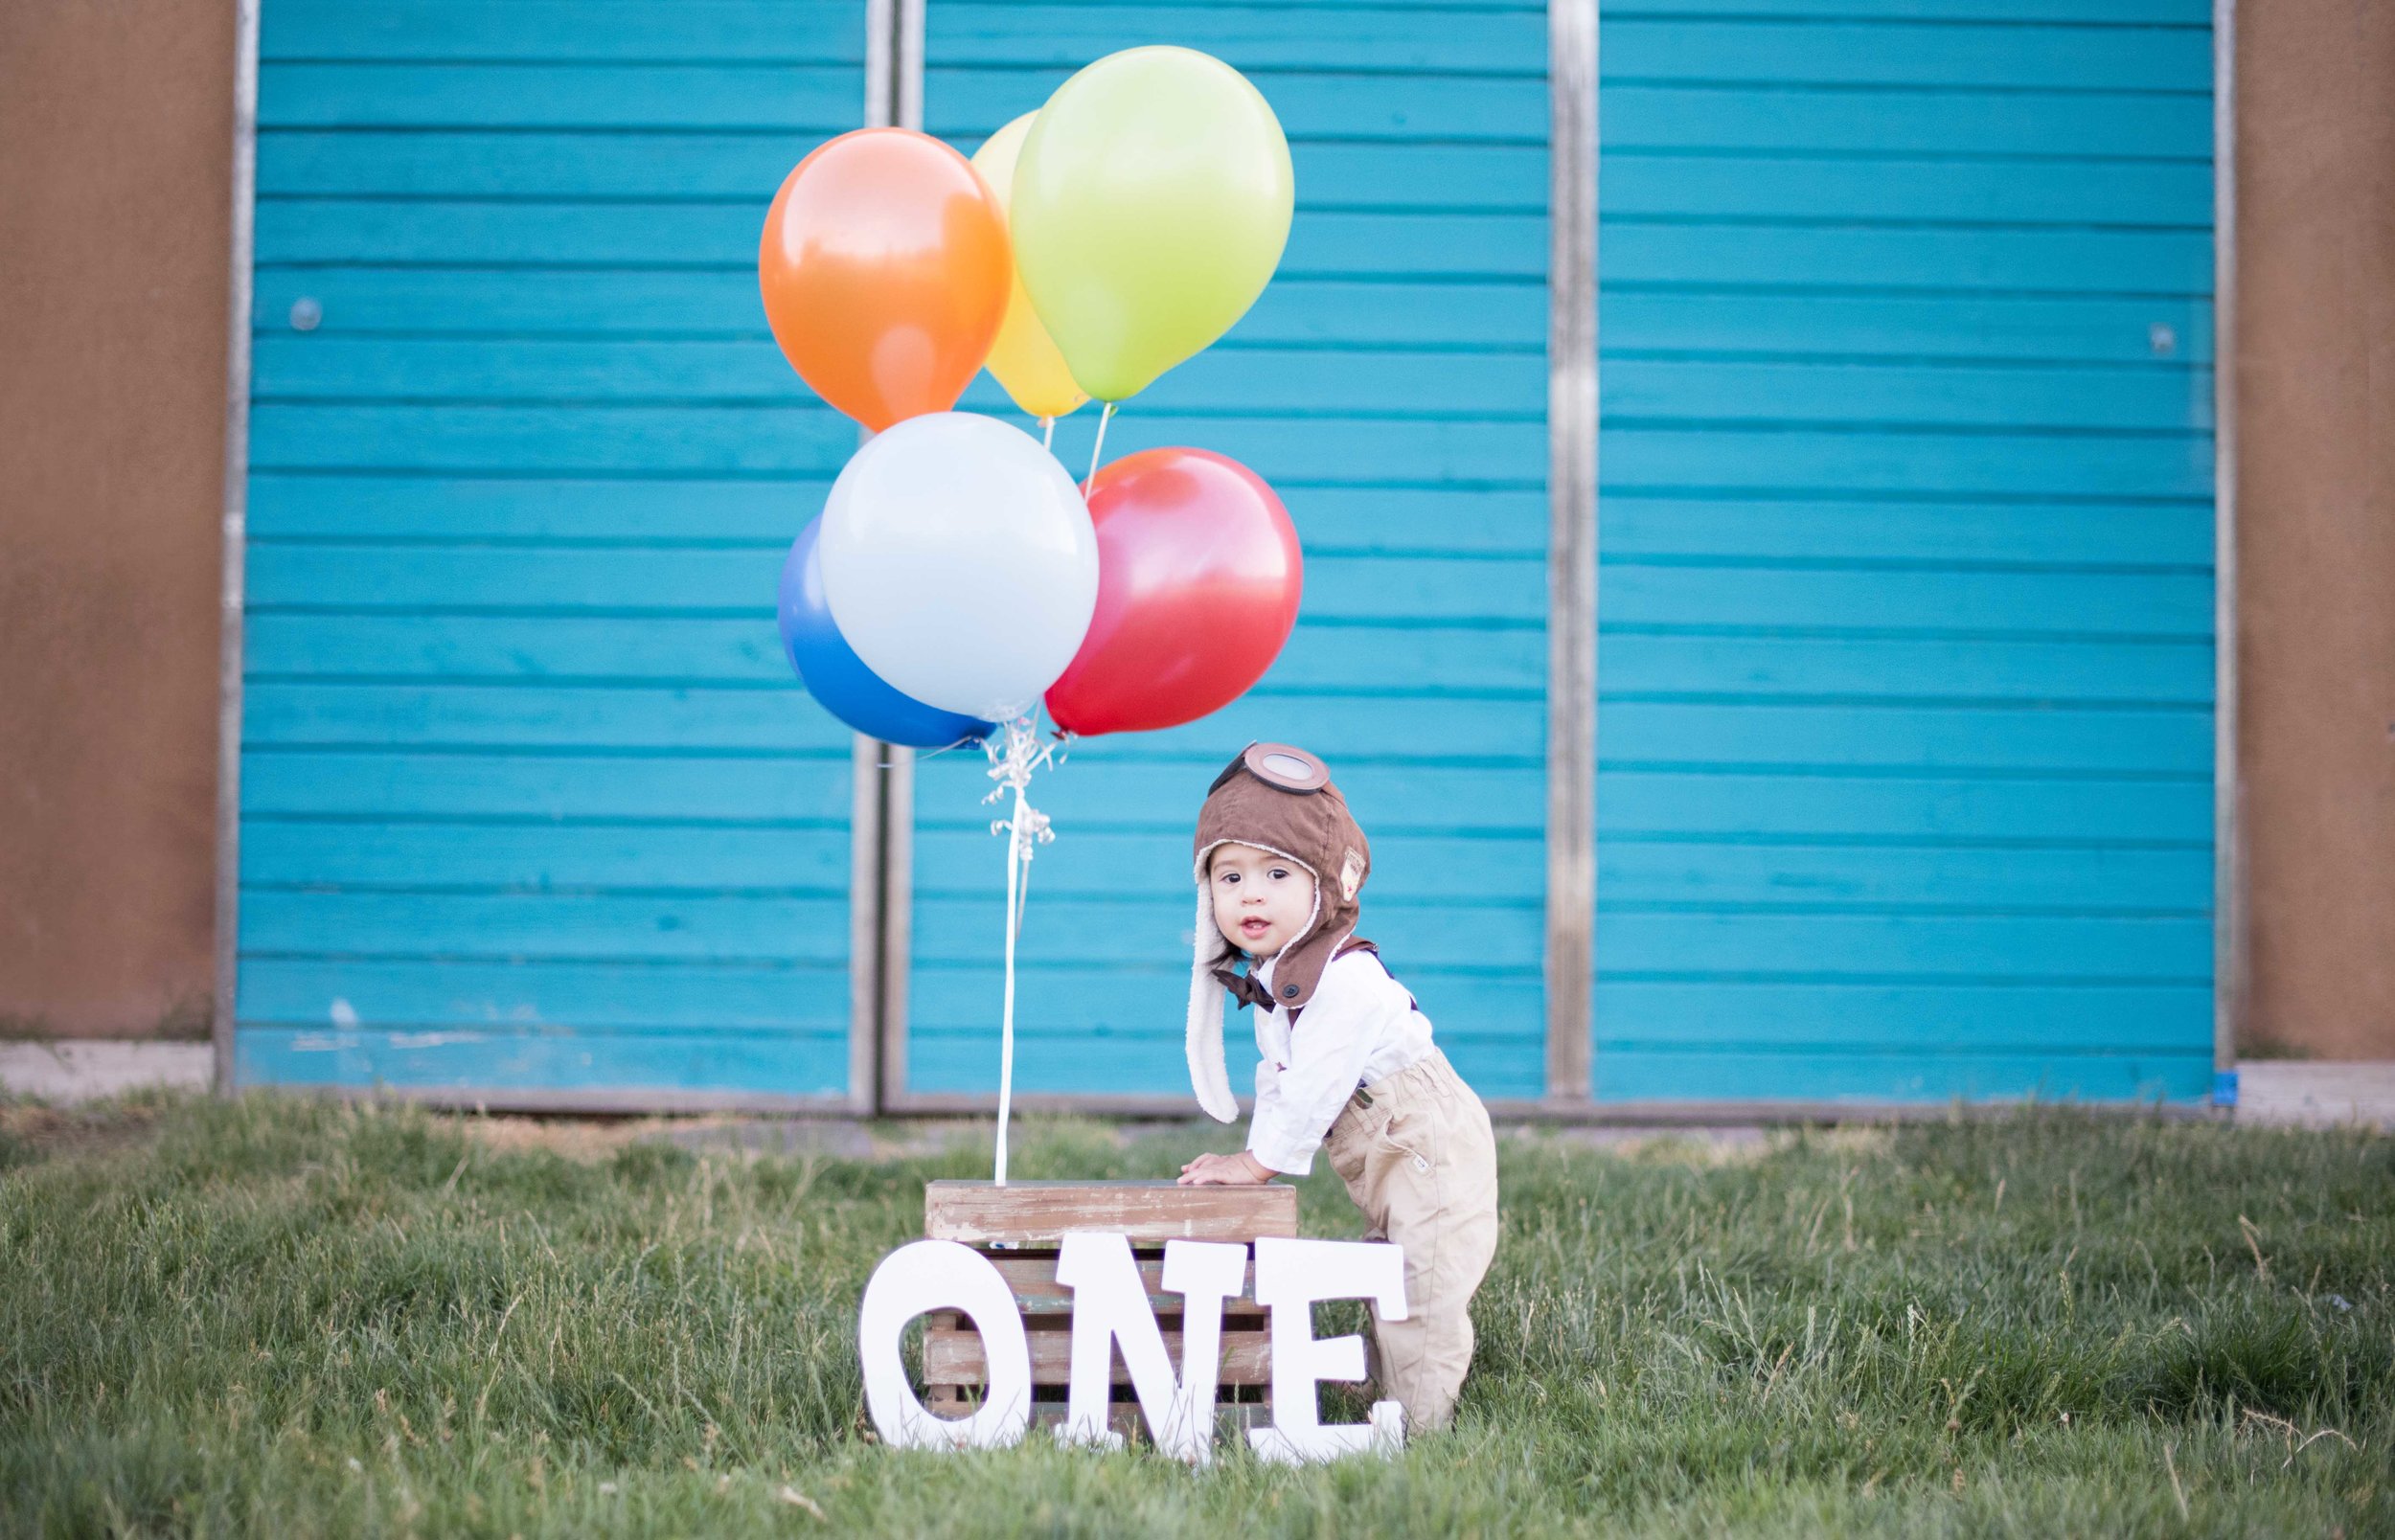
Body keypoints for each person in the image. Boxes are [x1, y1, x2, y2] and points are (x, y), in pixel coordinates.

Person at [1175, 740, 1500, 1433]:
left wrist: (1255, 1163)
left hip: (1427, 1138)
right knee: (1390, 1267)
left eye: (1276, 874)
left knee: (1424, 1284)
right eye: (1228, 878)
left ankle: (1423, 1428)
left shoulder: (1344, 978)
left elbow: (1318, 1080)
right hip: (1386, 1144)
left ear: (1325, 887)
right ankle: (1386, 1397)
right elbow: (1283, 1078)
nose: (1250, 894)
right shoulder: (1280, 979)